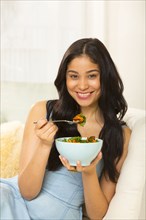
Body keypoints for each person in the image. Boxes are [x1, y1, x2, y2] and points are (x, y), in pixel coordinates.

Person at [0, 38, 131, 219]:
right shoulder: (42, 111)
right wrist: (44, 146)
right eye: (74, 76)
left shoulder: (119, 134)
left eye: (92, 75)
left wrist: (89, 171)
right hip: (11, 202)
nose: (82, 85)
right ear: (65, 78)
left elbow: (97, 215)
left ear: (105, 77)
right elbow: (27, 192)